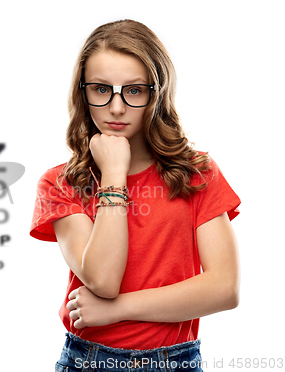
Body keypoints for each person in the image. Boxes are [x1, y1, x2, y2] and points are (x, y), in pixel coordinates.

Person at [29, 19, 241, 372]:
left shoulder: (196, 173)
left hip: (177, 361)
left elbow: (224, 288)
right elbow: (103, 278)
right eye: (100, 89)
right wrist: (113, 174)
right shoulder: (60, 183)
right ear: (82, 92)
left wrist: (117, 310)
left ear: (156, 92)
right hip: (88, 361)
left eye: (134, 90)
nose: (115, 107)